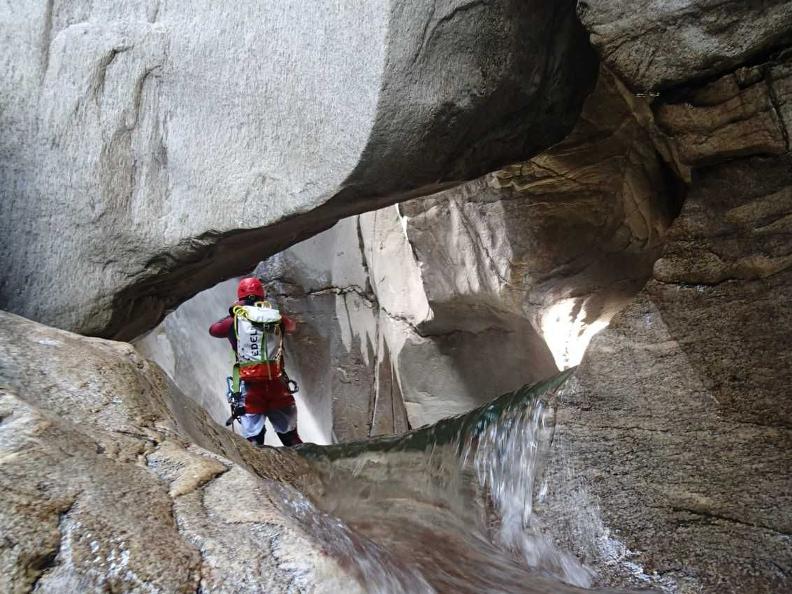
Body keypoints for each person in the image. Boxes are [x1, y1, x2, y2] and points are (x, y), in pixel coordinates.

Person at [209, 276, 302, 446]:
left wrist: (235, 310)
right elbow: (292, 326)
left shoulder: (234, 321)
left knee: (254, 442)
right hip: (277, 385)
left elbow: (214, 330)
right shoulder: (276, 318)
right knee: (291, 438)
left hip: (250, 388)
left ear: (240, 296)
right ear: (262, 296)